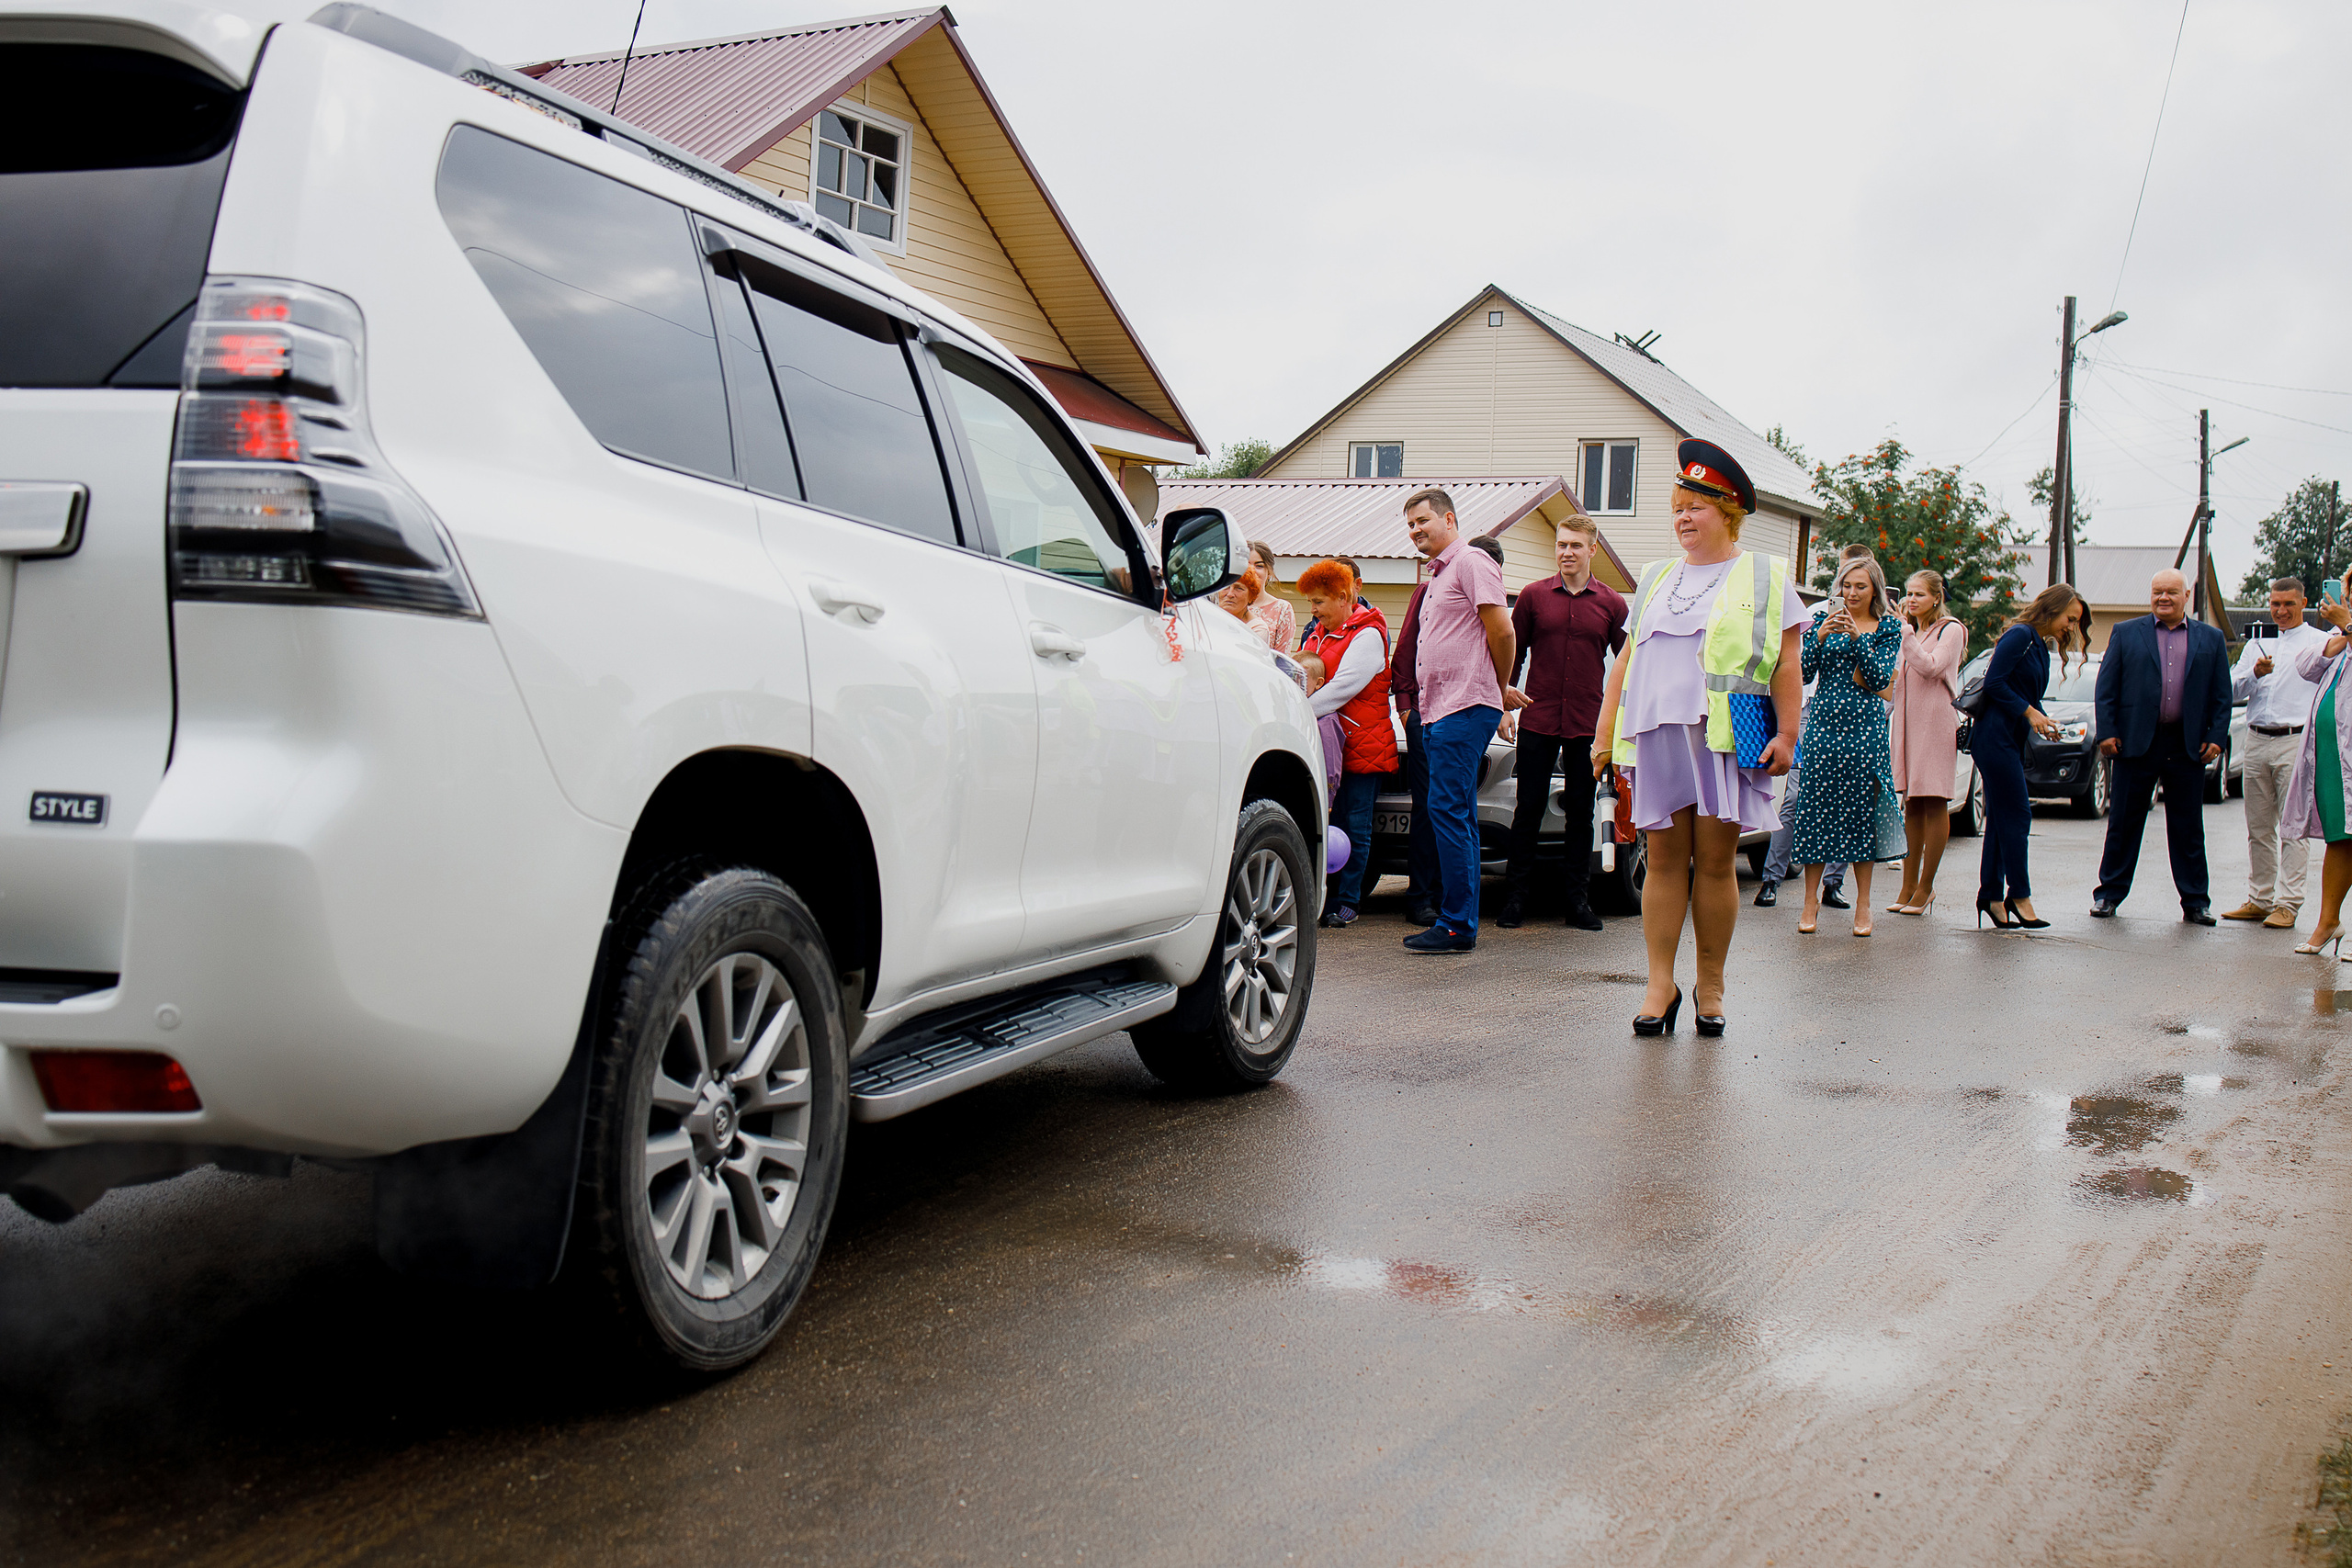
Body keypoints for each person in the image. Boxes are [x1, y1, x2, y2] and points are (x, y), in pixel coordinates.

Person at [1592, 441, 1803, 1034]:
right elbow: (1625, 661)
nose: (1683, 518)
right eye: (1677, 507)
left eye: (1697, 507)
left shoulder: (1762, 575)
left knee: (1713, 864)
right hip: (1657, 739)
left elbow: (1787, 662)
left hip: (1722, 739)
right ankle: (1661, 984)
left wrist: (1788, 734)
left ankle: (1710, 983)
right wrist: (1604, 733)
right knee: (1660, 863)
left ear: (1729, 511)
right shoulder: (1657, 576)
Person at [1399, 489, 1523, 953]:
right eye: (1409, 524)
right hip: (1439, 710)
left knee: (1448, 813)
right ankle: (1460, 921)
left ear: (1449, 519)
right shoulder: (1438, 577)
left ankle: (1455, 924)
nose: (1415, 530)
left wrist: (1499, 686)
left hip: (1462, 707)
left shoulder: (1471, 562)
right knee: (1456, 815)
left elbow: (1502, 630)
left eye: (1422, 520)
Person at [1498, 515, 1627, 931]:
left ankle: (1577, 902)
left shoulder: (1611, 603)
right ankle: (1515, 899)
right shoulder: (1534, 597)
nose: (1567, 552)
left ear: (1593, 549)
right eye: (1561, 545)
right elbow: (1511, 656)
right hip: (1538, 718)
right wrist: (1503, 704)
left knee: (1580, 813)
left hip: (1587, 723)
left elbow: (1628, 664)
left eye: (1575, 545)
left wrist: (1623, 717)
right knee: (1528, 810)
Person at [2091, 569, 2232, 924]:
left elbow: (2221, 695)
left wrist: (2216, 737)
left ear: (2187, 596)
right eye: (2157, 592)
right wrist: (2107, 732)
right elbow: (2106, 687)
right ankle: (2108, 894)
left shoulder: (2211, 639)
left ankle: (2196, 901)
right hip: (2135, 742)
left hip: (2187, 745)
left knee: (2188, 827)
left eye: (2171, 592)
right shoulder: (2126, 633)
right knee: (2123, 822)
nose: (2163, 598)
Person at [1787, 555, 1904, 935]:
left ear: (1875, 591)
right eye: (1846, 586)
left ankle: (1864, 904)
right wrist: (1818, 637)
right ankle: (1809, 900)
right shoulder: (1821, 621)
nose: (1851, 594)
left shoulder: (1887, 628)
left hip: (1865, 730)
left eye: (1860, 587)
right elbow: (1801, 672)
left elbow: (1879, 677)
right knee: (1816, 809)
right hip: (1822, 727)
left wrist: (1857, 637)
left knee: (1862, 815)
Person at [1975, 584, 2089, 928]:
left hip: (2009, 737)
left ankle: (1991, 896)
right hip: (1994, 737)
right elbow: (1994, 683)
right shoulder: (2020, 635)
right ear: (2052, 609)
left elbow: (2021, 689)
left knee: (1999, 819)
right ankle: (2019, 895)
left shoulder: (2038, 645)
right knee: (2019, 814)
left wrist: (2041, 718)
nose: (2071, 627)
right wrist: (2030, 713)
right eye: (2070, 619)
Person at [1297, 558, 1396, 928]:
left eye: (1319, 602)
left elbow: (1342, 688)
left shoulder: (1368, 635)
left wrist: (1298, 710)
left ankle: (1349, 899)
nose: (1314, 610)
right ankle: (1326, 896)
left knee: (1355, 826)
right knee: (1328, 824)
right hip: (1329, 747)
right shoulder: (1317, 635)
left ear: (1343, 597)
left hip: (1362, 745)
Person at [2222, 578, 2325, 929]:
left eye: (2288, 605)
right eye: (2275, 604)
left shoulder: (2319, 641)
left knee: (2293, 826)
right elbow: (2232, 688)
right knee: (2258, 825)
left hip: (2294, 740)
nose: (2280, 611)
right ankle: (2260, 898)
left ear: (2303, 603)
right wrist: (2255, 673)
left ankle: (2288, 903)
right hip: (2256, 738)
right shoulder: (2256, 642)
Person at [1887, 569, 1968, 916]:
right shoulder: (1914, 631)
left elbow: (1932, 667)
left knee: (1934, 800)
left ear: (1937, 597)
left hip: (1935, 722)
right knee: (1911, 803)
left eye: (1919, 594)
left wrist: (1905, 633)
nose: (1911, 600)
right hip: (1907, 724)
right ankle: (1907, 886)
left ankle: (1926, 887)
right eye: (1909, 593)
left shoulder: (1952, 630)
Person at [2278, 587, 2352, 955]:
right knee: (2340, 838)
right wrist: (2336, 640)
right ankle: (2329, 922)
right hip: (2331, 758)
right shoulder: (2341, 637)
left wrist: (2349, 626)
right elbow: (2305, 667)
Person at [1388, 570, 1441, 925]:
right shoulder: (1427, 592)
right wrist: (1406, 707)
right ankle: (1419, 897)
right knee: (1426, 807)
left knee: (1454, 811)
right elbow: (1406, 648)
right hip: (1425, 716)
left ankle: (1450, 898)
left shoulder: (1489, 604)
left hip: (1466, 717)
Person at [1296, 652, 1344, 805]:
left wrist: (1328, 798)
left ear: (1318, 683)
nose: (1295, 685)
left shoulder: (1326, 720)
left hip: (1316, 793)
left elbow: (1331, 761)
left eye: (1302, 680)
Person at [1244, 539, 1301, 654]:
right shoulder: (1225, 603)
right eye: (1246, 565)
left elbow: (1281, 659)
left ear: (1269, 572)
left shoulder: (1282, 609)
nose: (1252, 570)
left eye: (1259, 566)